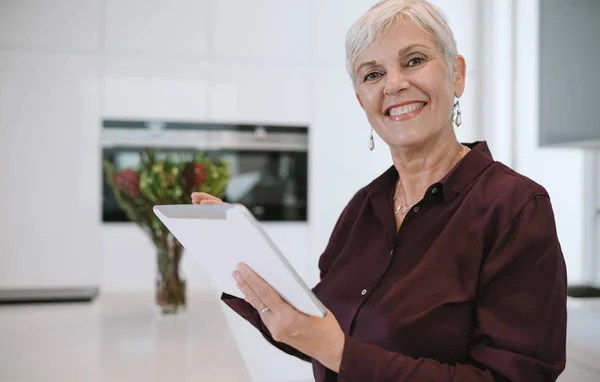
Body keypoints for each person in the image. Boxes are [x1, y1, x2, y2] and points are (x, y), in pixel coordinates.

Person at [192, 0, 568, 380]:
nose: (393, 84)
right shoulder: (363, 208)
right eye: (372, 75)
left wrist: (336, 351)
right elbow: (321, 334)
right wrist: (242, 262)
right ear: (362, 102)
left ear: (457, 74)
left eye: (414, 60)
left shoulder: (516, 209)